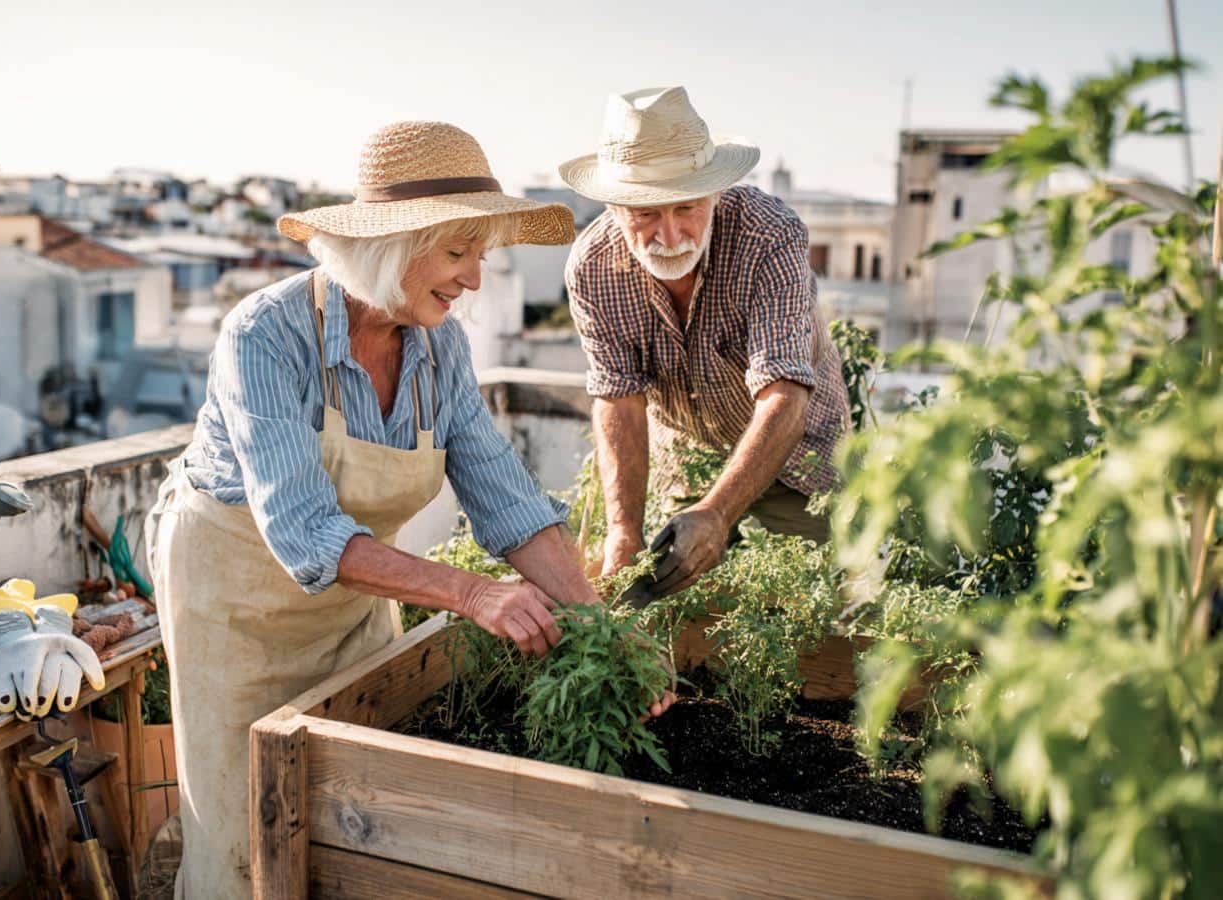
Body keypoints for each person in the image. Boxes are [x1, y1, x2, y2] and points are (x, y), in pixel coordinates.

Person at [142, 121, 670, 900]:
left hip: (356, 601)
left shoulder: (440, 349)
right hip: (236, 604)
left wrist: (603, 630)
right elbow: (305, 533)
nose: (475, 280)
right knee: (242, 829)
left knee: (352, 812)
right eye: (458, 253)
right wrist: (471, 593)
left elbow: (510, 503)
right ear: (391, 246)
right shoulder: (263, 334)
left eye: (481, 255)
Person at [559, 87, 850, 596]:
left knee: (819, 610)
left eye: (687, 208)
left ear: (715, 192)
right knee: (670, 606)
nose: (670, 236)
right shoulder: (591, 266)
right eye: (645, 215)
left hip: (801, 454)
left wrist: (718, 512)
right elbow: (618, 397)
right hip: (688, 456)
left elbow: (784, 392)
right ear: (614, 205)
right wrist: (623, 530)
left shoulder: (769, 236)